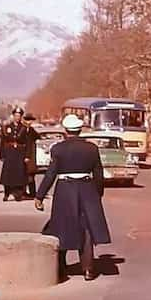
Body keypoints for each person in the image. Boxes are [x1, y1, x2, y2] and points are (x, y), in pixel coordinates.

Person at [34, 114, 111, 281]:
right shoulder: (91, 148)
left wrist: (39, 195)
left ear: (65, 130)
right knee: (86, 229)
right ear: (80, 130)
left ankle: (61, 269)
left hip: (65, 190)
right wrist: (98, 193)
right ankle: (88, 269)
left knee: (61, 227)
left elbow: (50, 174)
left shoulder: (58, 149)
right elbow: (98, 173)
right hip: (87, 189)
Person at [0, 107, 29, 202]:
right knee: (8, 174)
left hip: (20, 153)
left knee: (19, 174)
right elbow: (3, 141)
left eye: (19, 116)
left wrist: (27, 156)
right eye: (16, 116)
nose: (17, 117)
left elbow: (27, 143)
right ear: (13, 116)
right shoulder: (7, 127)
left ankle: (18, 194)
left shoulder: (24, 128)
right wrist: (2, 154)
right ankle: (7, 193)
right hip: (9, 152)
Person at [22, 112, 41, 198]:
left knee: (31, 175)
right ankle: (23, 192)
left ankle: (32, 193)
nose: (29, 122)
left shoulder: (32, 130)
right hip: (22, 154)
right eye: (27, 120)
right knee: (23, 174)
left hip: (31, 156)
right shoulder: (22, 129)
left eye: (30, 120)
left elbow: (38, 137)